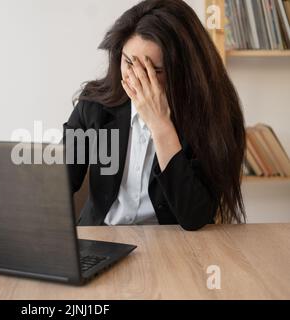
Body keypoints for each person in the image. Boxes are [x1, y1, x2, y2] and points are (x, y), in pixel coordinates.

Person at [63, 0, 246, 230]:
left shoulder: (211, 114)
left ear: (185, 72)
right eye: (128, 61)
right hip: (104, 239)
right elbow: (58, 184)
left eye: (154, 71)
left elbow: (194, 217)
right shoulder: (96, 103)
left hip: (176, 246)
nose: (134, 77)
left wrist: (161, 126)